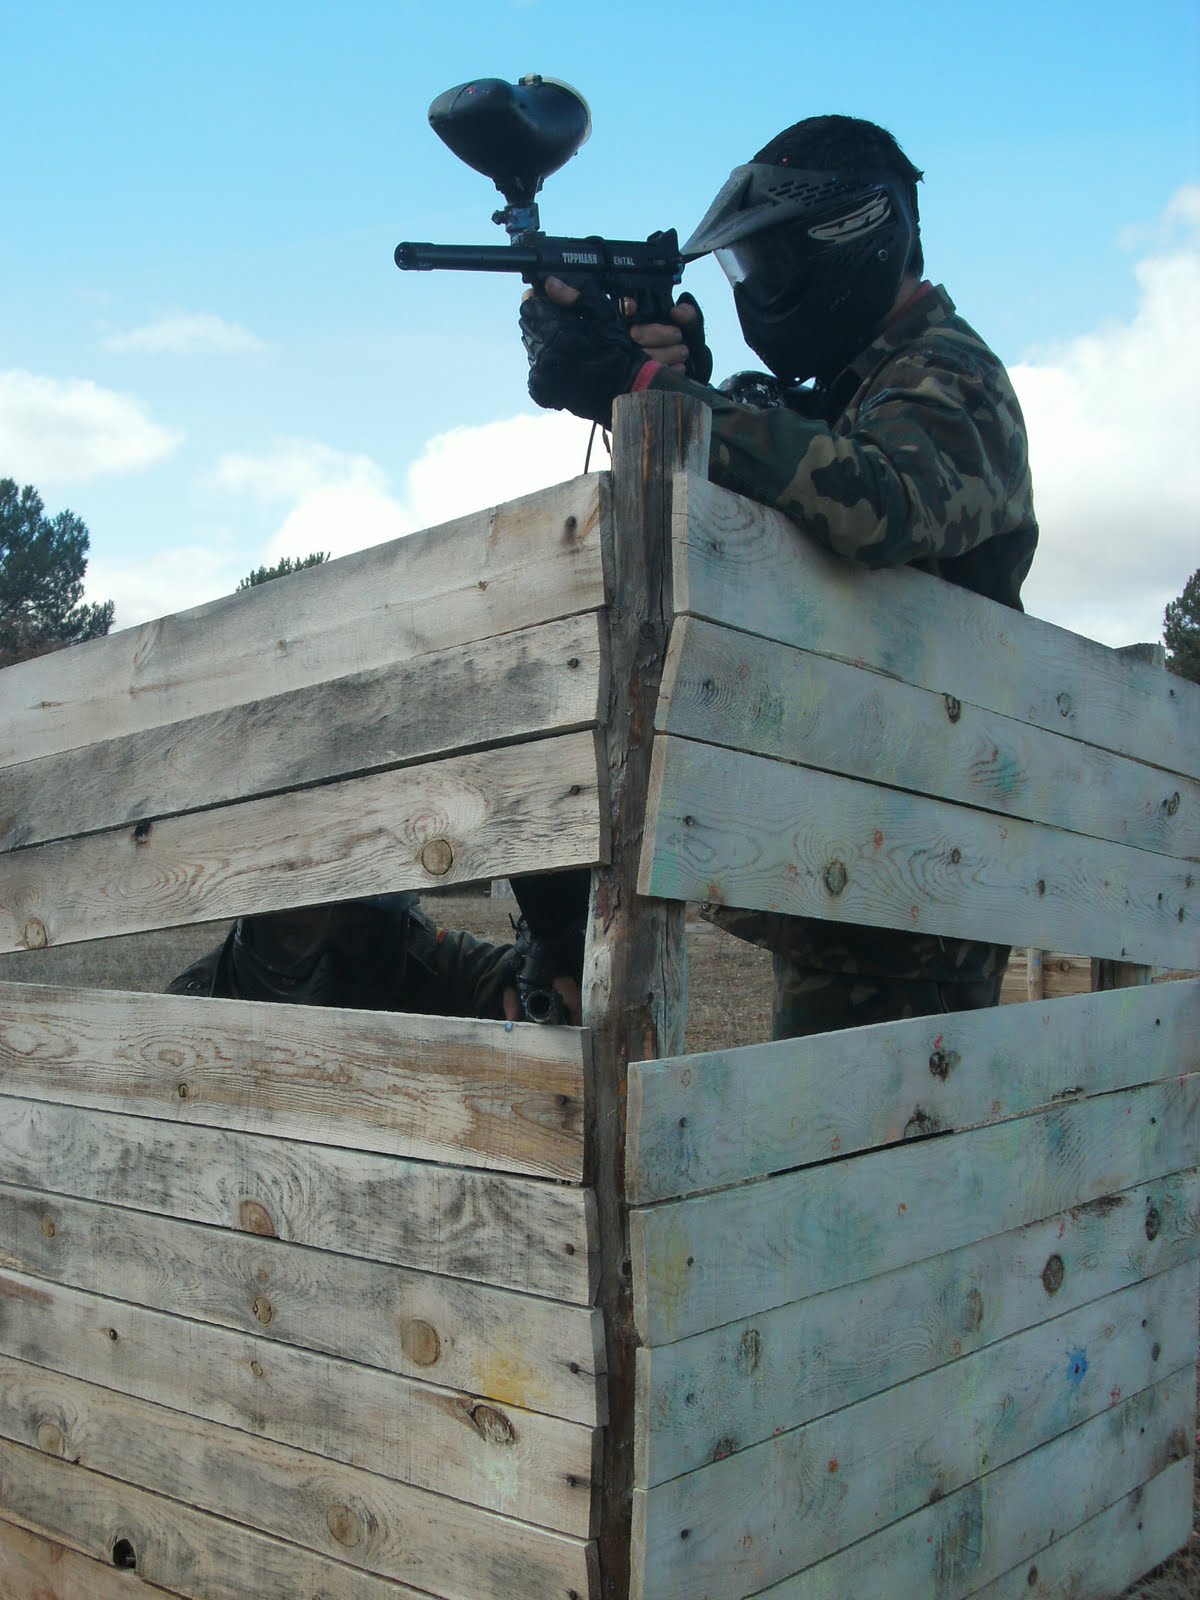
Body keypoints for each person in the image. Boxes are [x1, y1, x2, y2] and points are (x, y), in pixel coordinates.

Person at [519, 114, 1038, 1038]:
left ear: (855, 240)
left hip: (929, 866)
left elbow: (873, 501)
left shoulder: (951, 374)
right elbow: (797, 487)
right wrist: (684, 388)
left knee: (879, 1150)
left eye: (770, 266)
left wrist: (655, 392)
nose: (760, 292)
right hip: (872, 838)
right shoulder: (854, 391)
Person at [166, 892, 583, 1024]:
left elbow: (497, 973)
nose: (323, 975)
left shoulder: (429, 959)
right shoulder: (201, 999)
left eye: (355, 938)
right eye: (295, 939)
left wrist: (541, 976)